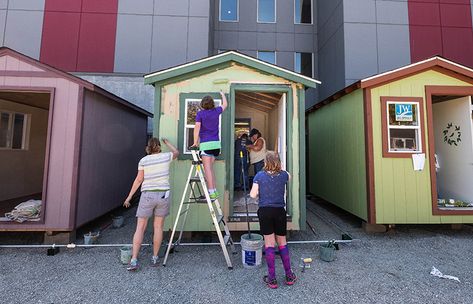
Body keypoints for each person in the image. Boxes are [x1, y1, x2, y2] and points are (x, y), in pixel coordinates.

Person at [123, 137, 179, 271]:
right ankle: (154, 258)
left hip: (147, 195)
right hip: (163, 195)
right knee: (158, 227)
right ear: (159, 147)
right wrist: (168, 143)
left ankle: (134, 259)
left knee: (140, 228)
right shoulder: (166, 157)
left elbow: (138, 180)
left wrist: (129, 197)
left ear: (148, 147)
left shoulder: (143, 161)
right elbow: (177, 152)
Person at [250, 152, 296, 289]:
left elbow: (253, 195)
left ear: (265, 162)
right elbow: (289, 174)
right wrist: (279, 166)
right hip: (279, 212)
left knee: (269, 243)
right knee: (282, 242)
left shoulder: (259, 176)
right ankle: (289, 275)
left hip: (265, 212)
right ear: (279, 162)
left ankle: (272, 279)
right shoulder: (284, 175)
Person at [191, 91, 228, 199]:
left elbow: (197, 128)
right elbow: (225, 104)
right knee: (211, 169)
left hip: (206, 145)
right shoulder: (216, 111)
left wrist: (195, 142)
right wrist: (222, 94)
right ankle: (214, 191)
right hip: (216, 145)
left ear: (202, 104)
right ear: (212, 104)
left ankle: (211, 192)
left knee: (208, 170)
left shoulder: (200, 114)